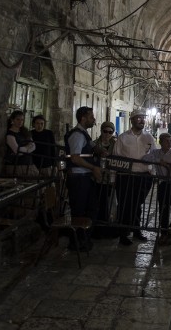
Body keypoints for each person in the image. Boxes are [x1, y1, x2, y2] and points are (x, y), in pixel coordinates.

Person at [114, 109, 157, 246]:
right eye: (138, 118)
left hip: (143, 177)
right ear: (132, 120)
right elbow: (116, 156)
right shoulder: (123, 138)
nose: (142, 120)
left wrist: (153, 172)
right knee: (125, 204)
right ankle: (123, 233)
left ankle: (136, 229)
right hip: (127, 176)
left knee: (137, 204)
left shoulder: (149, 137)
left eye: (143, 118)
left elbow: (154, 155)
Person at [64, 106, 102, 251]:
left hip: (85, 177)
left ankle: (83, 239)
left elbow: (92, 147)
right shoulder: (77, 135)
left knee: (90, 208)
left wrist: (101, 151)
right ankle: (76, 242)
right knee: (79, 211)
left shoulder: (84, 134)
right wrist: (93, 168)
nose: (94, 120)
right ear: (83, 118)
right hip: (78, 178)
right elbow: (75, 158)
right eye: (91, 117)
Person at [142, 133, 171, 245]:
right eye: (166, 141)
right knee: (163, 208)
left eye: (170, 141)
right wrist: (158, 161)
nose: (169, 143)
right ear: (161, 142)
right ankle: (164, 231)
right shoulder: (156, 153)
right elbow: (145, 158)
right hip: (163, 184)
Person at [92, 121, 117, 236]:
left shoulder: (116, 146)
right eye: (105, 131)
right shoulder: (94, 144)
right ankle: (98, 226)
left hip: (110, 179)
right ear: (101, 131)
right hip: (97, 178)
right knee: (98, 201)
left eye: (110, 132)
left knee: (109, 202)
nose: (107, 134)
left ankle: (108, 224)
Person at [4, 110, 38, 176]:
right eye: (18, 119)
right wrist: (27, 147)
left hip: (28, 163)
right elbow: (17, 150)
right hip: (16, 165)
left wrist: (24, 150)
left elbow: (33, 146)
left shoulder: (25, 131)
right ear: (12, 120)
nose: (20, 122)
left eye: (22, 120)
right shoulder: (10, 134)